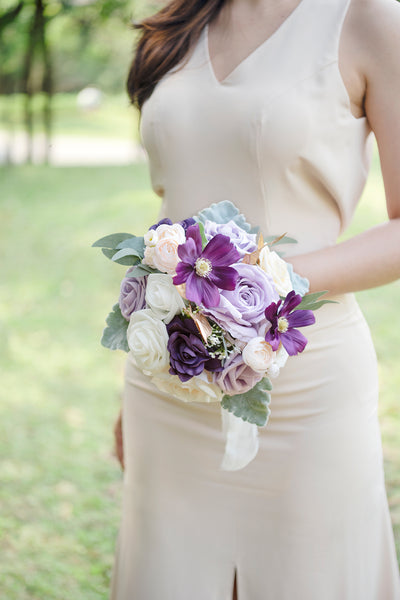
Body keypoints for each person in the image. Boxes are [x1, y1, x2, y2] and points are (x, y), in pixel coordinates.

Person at [110, 0, 400, 598]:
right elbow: (173, 210)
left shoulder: (368, 17)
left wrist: (261, 284)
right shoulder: (176, 21)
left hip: (305, 388)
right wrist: (145, 365)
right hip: (172, 386)